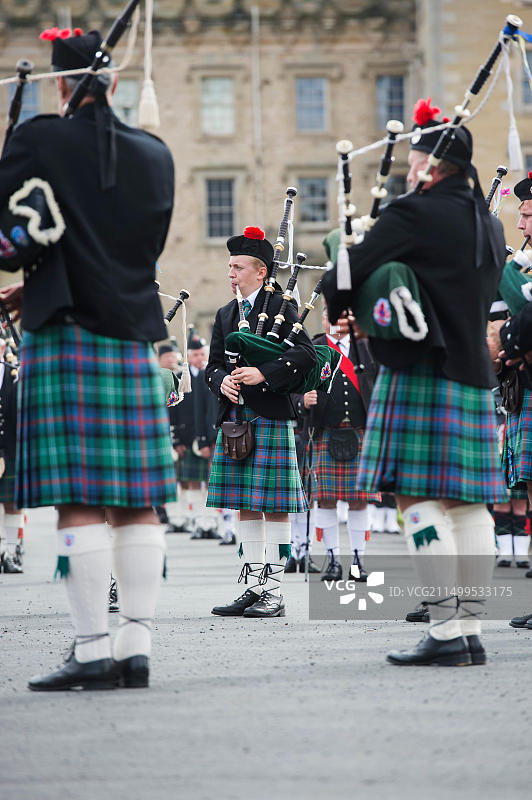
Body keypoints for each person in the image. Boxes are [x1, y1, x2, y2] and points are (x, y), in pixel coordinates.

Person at [0, 28, 175, 690]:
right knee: (137, 502)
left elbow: (9, 239)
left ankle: (93, 649)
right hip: (132, 333)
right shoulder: (155, 153)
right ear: (116, 83)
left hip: (67, 332)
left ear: (61, 84)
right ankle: (137, 646)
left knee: (77, 500)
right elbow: (131, 249)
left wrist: (31, 271)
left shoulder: (39, 138)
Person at [322, 97, 507, 666]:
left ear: (430, 163)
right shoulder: (491, 223)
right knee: (470, 503)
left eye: (414, 159)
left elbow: (346, 274)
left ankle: (445, 630)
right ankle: (470, 626)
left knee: (415, 496)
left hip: (419, 371)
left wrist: (345, 299)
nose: (407, 168)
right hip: (473, 372)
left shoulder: (413, 211)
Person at [206, 226, 316, 617]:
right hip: (236, 418)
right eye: (229, 266)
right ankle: (253, 586)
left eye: (237, 267)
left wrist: (264, 374)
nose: (230, 273)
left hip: (269, 415)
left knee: (275, 506)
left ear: (261, 271)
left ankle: (275, 592)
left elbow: (307, 356)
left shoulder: (283, 307)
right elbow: (213, 365)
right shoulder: (225, 314)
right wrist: (221, 383)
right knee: (244, 506)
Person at [295, 305, 378, 581]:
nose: (337, 320)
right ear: (323, 317)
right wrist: (301, 401)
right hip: (324, 431)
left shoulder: (365, 345)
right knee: (325, 500)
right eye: (331, 314)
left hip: (360, 431)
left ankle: (357, 561)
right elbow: (292, 385)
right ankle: (332, 560)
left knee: (359, 501)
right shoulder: (313, 347)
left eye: (343, 314)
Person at [0, 334, 24, 573]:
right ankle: (1, 550)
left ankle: (12, 552)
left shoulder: (14, 373)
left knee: (12, 503)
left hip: (9, 447)